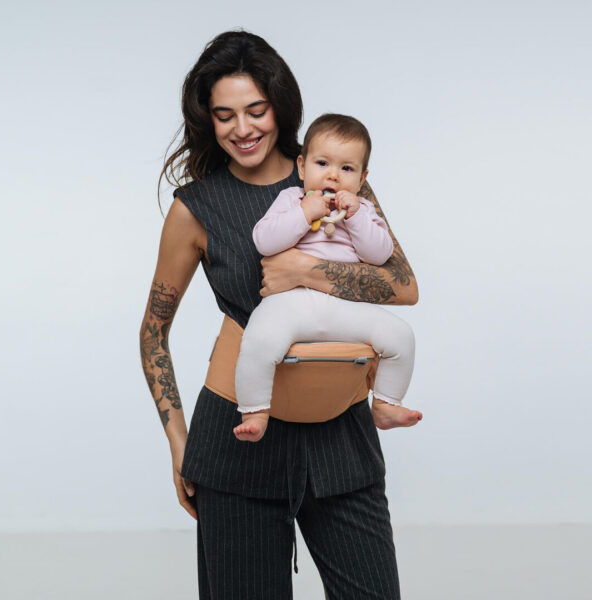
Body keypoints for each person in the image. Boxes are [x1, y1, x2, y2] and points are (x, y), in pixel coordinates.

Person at [140, 30, 419, 599]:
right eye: (224, 115)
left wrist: (305, 272)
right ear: (207, 120)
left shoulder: (331, 172)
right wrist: (178, 441)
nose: (242, 128)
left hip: (342, 439)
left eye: (256, 110)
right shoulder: (196, 208)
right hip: (235, 449)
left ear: (281, 106)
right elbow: (153, 333)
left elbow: (403, 285)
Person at [234, 113, 422, 442]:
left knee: (401, 337)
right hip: (291, 302)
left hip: (345, 305)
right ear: (302, 167)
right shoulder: (291, 200)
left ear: (362, 178)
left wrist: (356, 217)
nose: (333, 175)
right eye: (322, 163)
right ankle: (255, 410)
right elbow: (264, 241)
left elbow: (379, 254)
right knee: (258, 339)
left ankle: (386, 404)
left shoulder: (364, 210)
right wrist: (305, 213)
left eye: (347, 168)